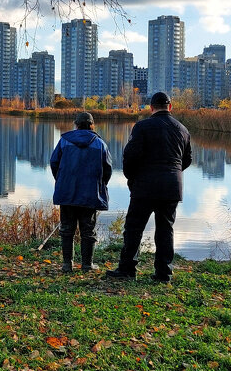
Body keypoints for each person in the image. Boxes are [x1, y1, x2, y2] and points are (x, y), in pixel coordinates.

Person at [107, 91, 192, 283]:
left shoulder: (142, 127)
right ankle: (164, 274)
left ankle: (127, 269)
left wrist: (132, 177)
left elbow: (130, 156)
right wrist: (172, 173)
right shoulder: (183, 129)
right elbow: (186, 160)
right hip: (172, 187)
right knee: (165, 229)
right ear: (170, 107)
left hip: (145, 185)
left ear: (151, 108)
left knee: (134, 228)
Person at [49, 111, 113, 274]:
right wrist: (100, 184)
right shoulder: (100, 143)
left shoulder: (64, 141)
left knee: (66, 229)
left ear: (75, 124)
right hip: (90, 193)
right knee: (88, 230)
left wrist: (62, 180)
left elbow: (54, 162)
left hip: (67, 192)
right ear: (92, 125)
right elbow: (107, 169)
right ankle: (87, 265)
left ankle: (67, 265)